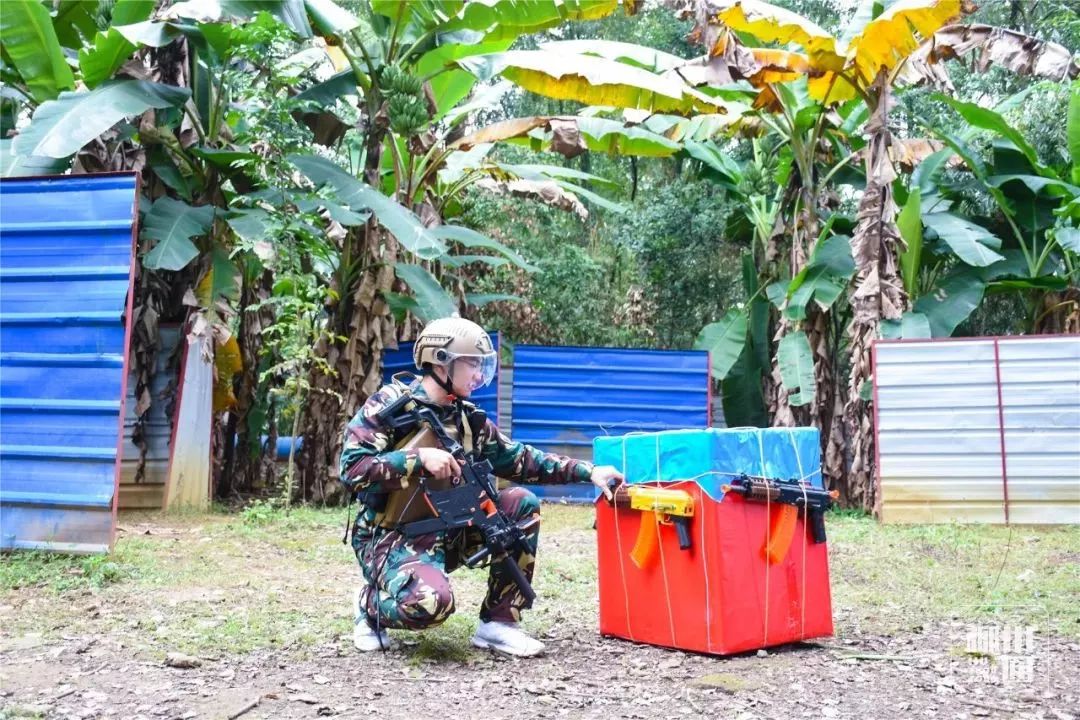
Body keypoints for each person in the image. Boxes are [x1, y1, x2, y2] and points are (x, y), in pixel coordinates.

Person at [339, 317, 624, 657]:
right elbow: (352, 467)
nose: (478, 375)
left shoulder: (467, 418)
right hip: (392, 535)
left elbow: (520, 460)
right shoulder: (391, 406)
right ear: (441, 360)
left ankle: (498, 624)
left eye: (480, 365)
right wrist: (417, 458)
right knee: (430, 606)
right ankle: (370, 606)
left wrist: (588, 471)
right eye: (472, 364)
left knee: (520, 504)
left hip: (450, 527)